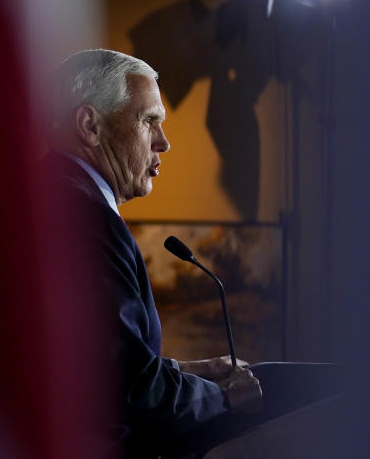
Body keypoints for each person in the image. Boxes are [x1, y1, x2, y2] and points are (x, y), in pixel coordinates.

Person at [39, 49, 263, 458]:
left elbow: (97, 366)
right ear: (90, 125)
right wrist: (222, 397)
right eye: (149, 121)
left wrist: (184, 372)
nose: (164, 142)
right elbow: (128, 391)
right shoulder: (86, 218)